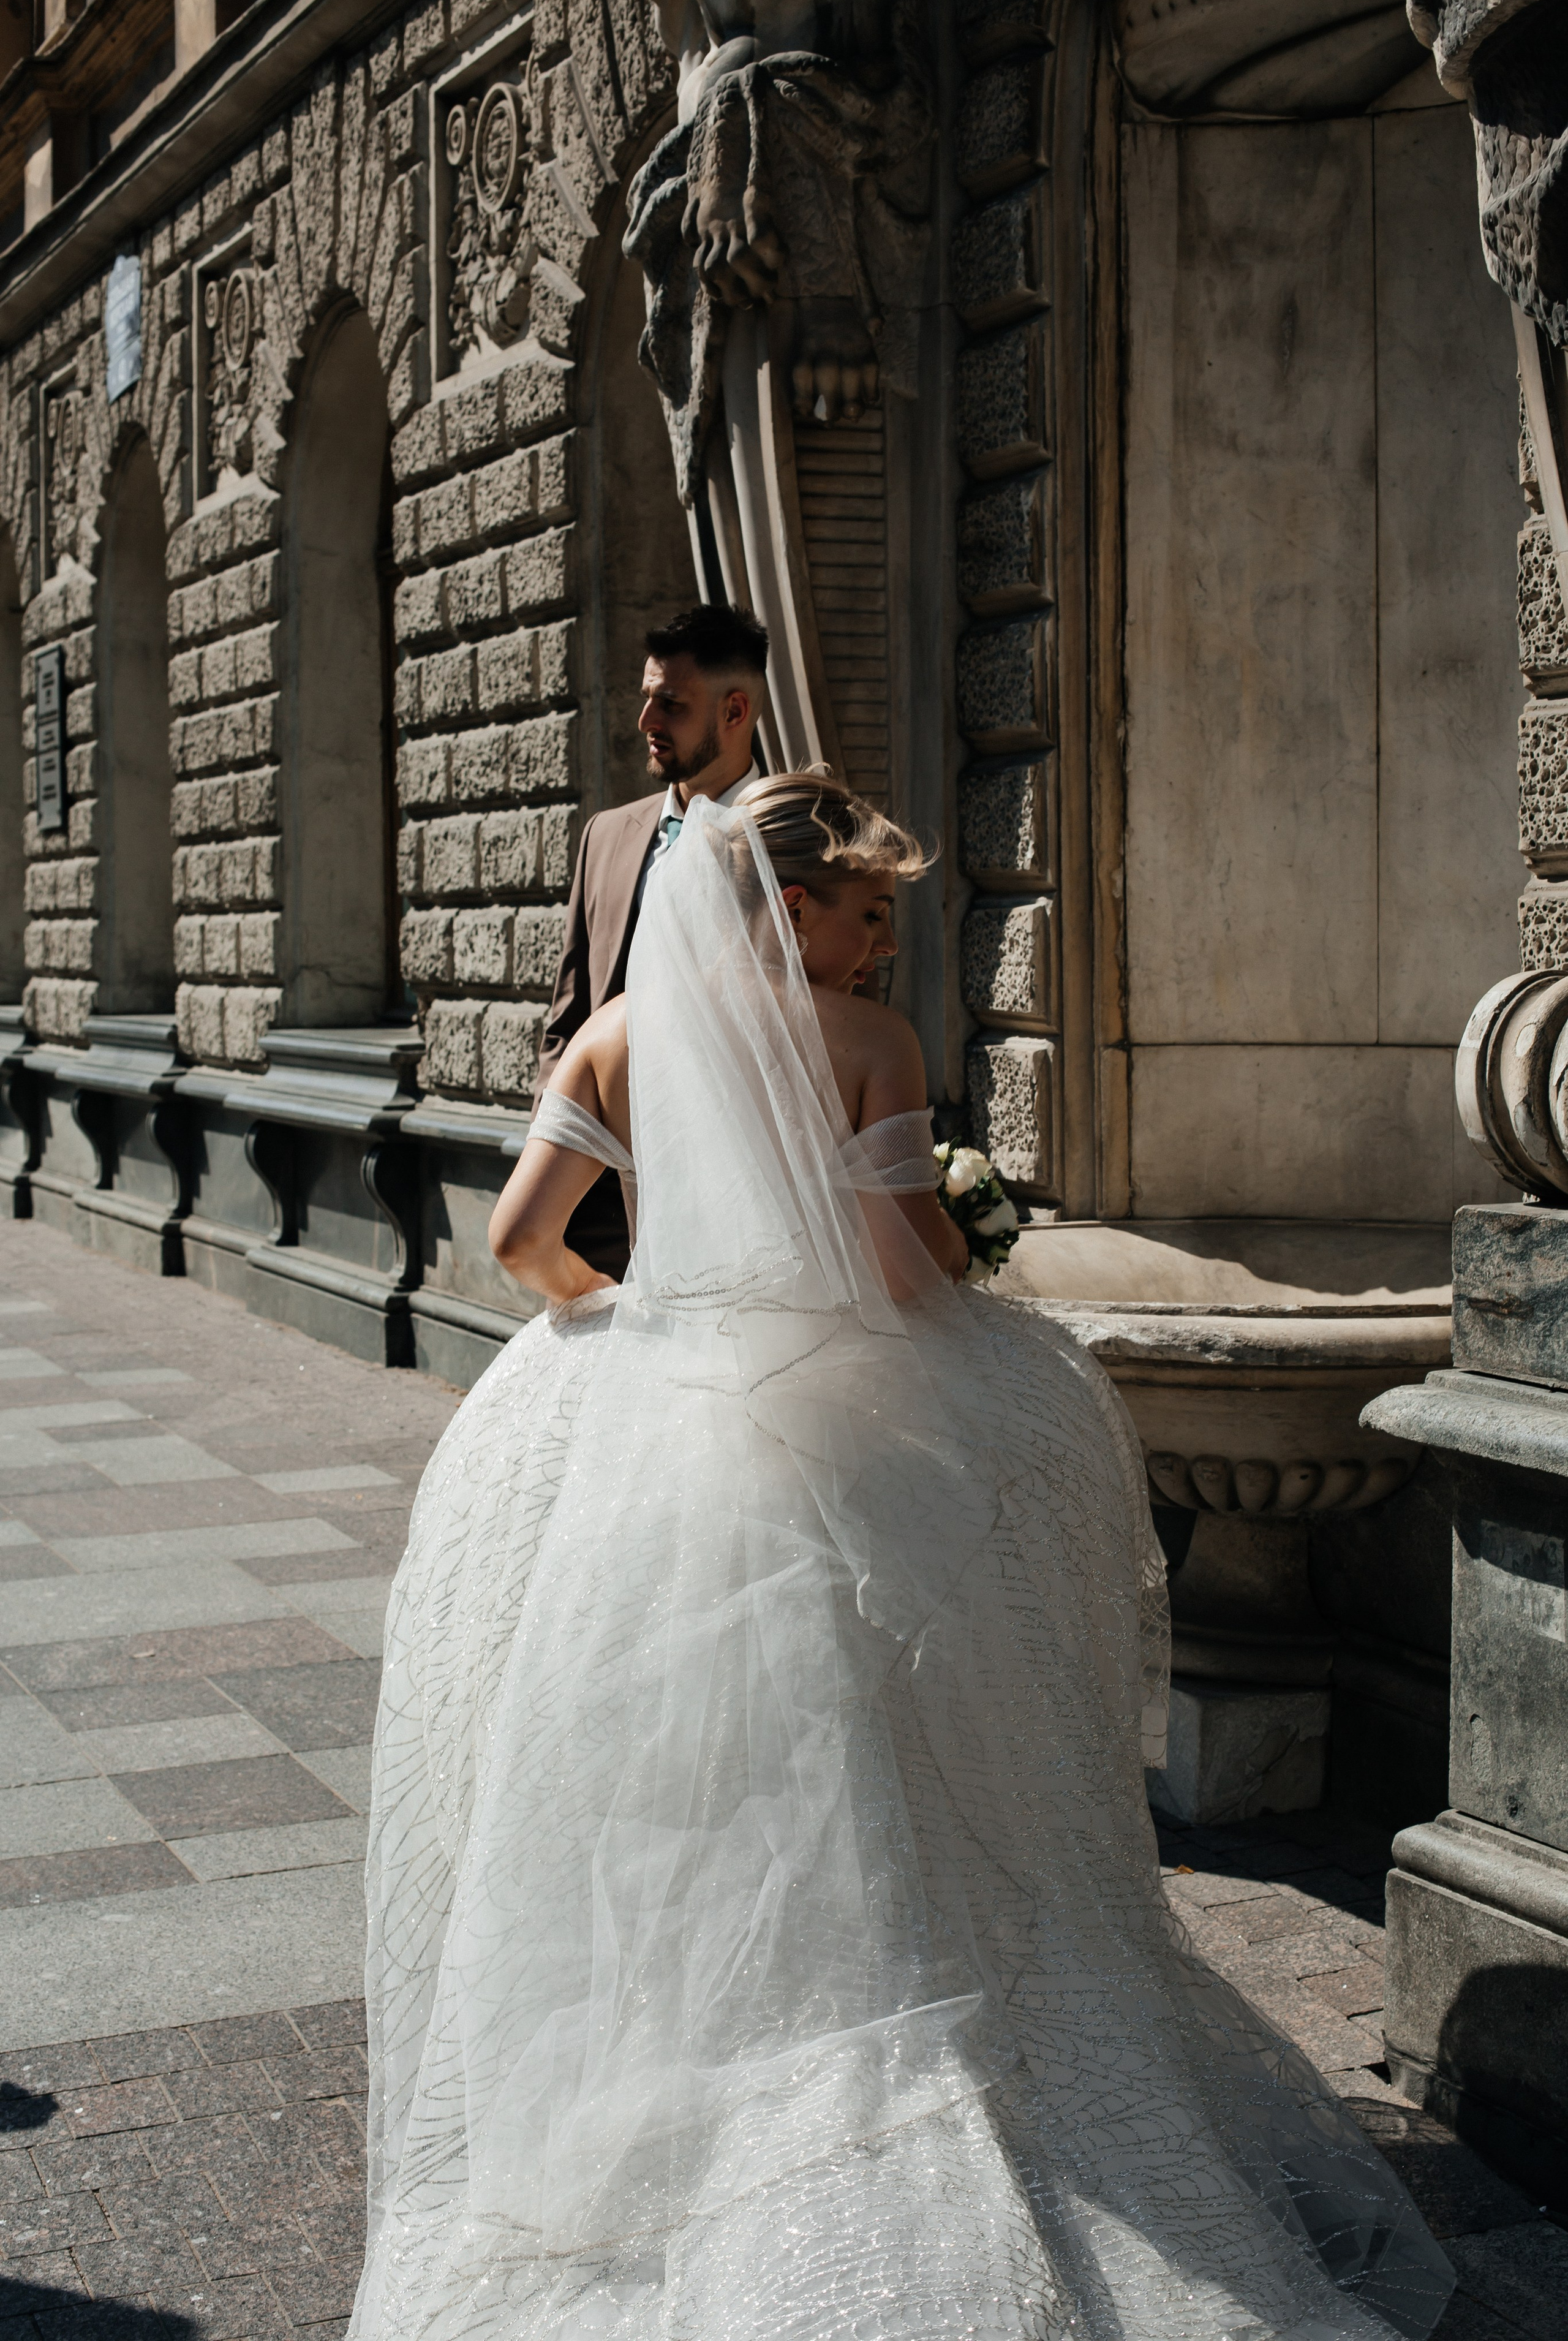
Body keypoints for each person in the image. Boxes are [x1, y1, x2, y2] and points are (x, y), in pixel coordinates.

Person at [350, 775, 1453, 2341]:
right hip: (848, 1432)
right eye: (865, 906)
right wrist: (965, 1231)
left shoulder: (611, 1038)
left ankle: (686, 2071)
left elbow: (525, 1248)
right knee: (902, 1751)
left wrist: (642, 1329)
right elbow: (888, 1261)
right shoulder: (865, 1045)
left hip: (650, 1443)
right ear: (789, 906)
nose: (881, 939)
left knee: (672, 1777)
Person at [537, 600, 771, 1278]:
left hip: (735, 1198)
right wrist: (549, 1148)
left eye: (669, 704)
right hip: (599, 1196)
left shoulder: (803, 840)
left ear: (734, 712)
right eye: (646, 700)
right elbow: (570, 1011)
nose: (645, 722)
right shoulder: (606, 836)